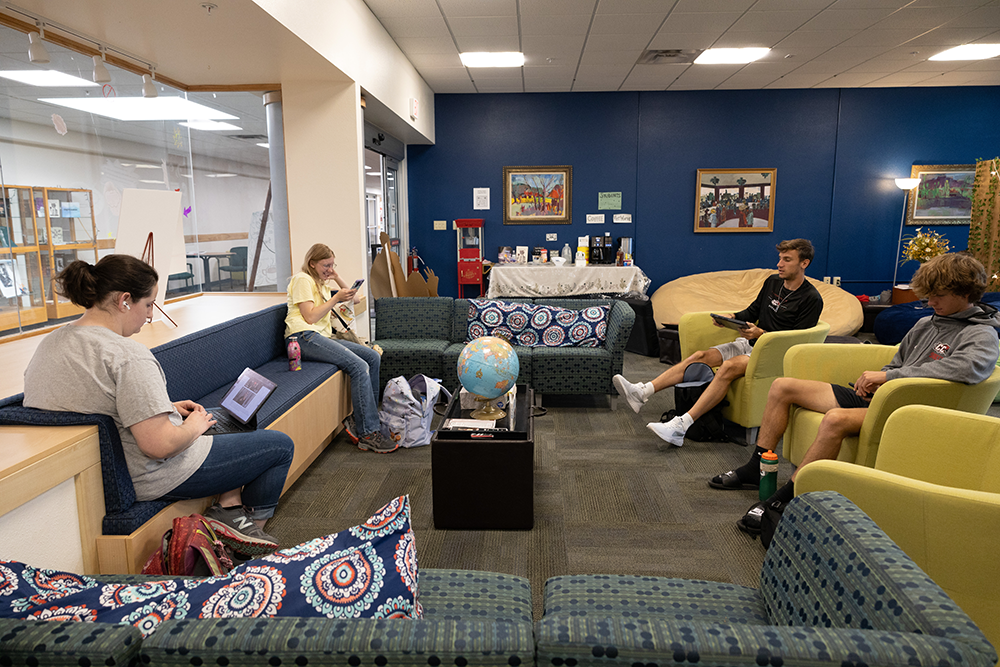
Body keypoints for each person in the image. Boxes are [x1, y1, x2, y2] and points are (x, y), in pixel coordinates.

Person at [22, 255, 294, 557]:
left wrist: (164, 407)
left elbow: (90, 399)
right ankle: (246, 528)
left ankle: (230, 505)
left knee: (227, 420)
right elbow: (159, 445)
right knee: (279, 446)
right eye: (149, 304)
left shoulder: (51, 343)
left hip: (97, 473)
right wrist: (192, 427)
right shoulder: (127, 356)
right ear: (125, 300)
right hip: (153, 474)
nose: (150, 316)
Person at [713, 252, 1000, 535]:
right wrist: (879, 379)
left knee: (836, 419)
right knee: (782, 386)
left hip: (908, 411)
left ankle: (787, 495)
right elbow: (899, 363)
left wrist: (889, 377)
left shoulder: (980, 334)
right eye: (928, 295)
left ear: (965, 293)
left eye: (939, 295)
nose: (931, 302)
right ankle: (756, 466)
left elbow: (968, 368)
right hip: (883, 398)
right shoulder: (927, 323)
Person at [614, 238, 823, 447]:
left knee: (729, 366)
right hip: (751, 344)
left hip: (773, 355)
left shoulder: (811, 298)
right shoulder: (773, 282)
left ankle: (681, 425)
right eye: (780, 258)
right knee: (699, 357)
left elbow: (796, 342)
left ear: (804, 263)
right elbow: (753, 310)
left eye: (787, 260)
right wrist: (731, 317)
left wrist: (762, 334)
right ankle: (642, 392)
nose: (779, 264)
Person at [285, 243, 395, 453]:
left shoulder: (321, 283)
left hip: (322, 337)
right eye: (325, 265)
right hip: (302, 337)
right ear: (312, 264)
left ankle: (363, 417)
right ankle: (368, 432)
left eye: (332, 265)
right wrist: (335, 298)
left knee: (373, 356)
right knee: (359, 366)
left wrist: (335, 277)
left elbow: (354, 298)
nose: (329, 269)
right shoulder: (303, 279)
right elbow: (309, 317)